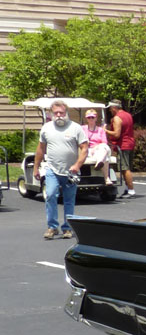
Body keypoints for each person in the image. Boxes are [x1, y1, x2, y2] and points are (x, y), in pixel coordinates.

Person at [33, 99, 87, 239]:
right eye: (56, 113)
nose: (59, 115)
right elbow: (40, 149)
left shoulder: (76, 128)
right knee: (50, 195)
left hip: (70, 172)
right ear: (51, 113)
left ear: (66, 113)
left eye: (61, 112)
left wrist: (77, 165)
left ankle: (67, 228)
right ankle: (52, 227)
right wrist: (36, 168)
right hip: (52, 169)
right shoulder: (46, 128)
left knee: (69, 200)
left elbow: (84, 149)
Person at [105, 98, 136, 198]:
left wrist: (105, 130)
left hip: (123, 145)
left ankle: (131, 190)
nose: (110, 110)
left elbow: (116, 134)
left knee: (124, 168)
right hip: (130, 143)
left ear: (114, 108)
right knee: (126, 167)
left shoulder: (117, 118)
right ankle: (128, 188)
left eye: (110, 108)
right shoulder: (128, 115)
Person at [82, 109, 111, 183]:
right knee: (105, 157)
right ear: (86, 119)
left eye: (92, 117)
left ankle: (100, 162)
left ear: (96, 118)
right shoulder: (82, 129)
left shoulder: (101, 130)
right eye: (89, 117)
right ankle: (106, 178)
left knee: (104, 147)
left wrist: (96, 147)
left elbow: (104, 142)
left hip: (98, 150)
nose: (91, 119)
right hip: (86, 150)